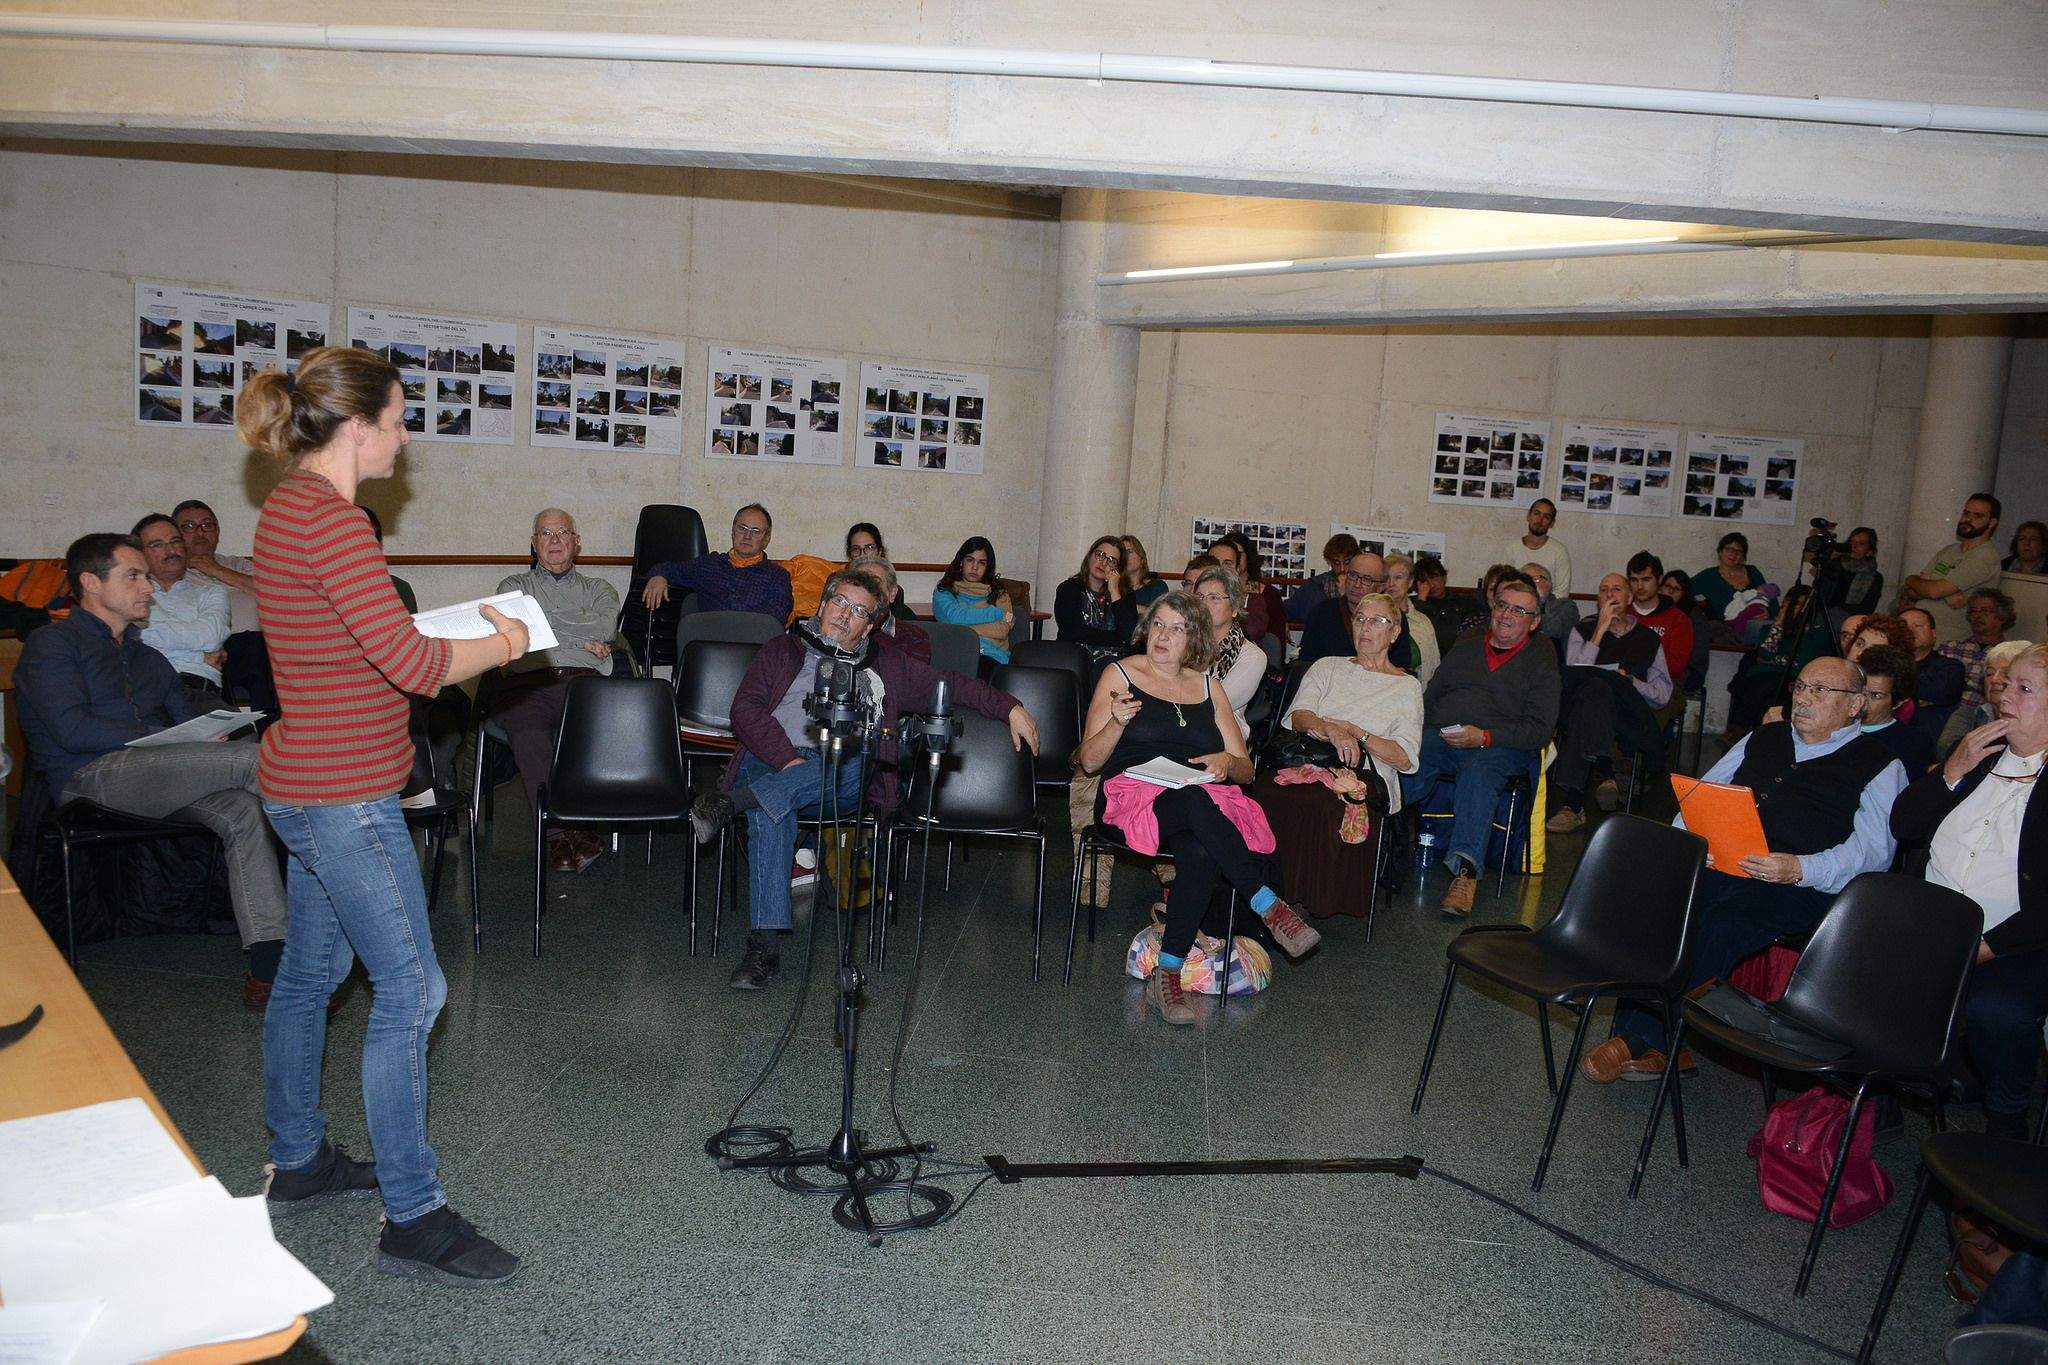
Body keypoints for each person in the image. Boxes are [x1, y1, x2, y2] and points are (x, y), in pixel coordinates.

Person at [241, 346, 529, 1284]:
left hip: (301, 781)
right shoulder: (332, 522)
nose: (407, 439)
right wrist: (506, 639)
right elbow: (413, 665)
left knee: (311, 973)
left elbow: (364, 644)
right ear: (356, 425)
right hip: (343, 796)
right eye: (400, 420)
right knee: (413, 990)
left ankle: (299, 1159)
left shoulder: (291, 507)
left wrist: (436, 638)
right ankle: (413, 1214)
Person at [694, 568, 1038, 990]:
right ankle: (763, 946)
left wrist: (1010, 707)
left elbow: (951, 684)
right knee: (773, 806)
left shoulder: (888, 665)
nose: (844, 615)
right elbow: (745, 710)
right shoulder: (782, 649)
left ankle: (732, 804)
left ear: (871, 625)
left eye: (858, 611)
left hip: (843, 771)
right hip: (771, 760)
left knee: (857, 756)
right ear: (821, 605)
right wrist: (787, 760)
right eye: (838, 602)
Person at [1582, 657, 1906, 1083]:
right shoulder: (1763, 737)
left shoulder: (1882, 764)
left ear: (1856, 705)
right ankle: (1657, 1044)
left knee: (1727, 920)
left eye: (1821, 691)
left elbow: (1873, 853)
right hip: (1729, 861)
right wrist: (1694, 845)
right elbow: (1700, 798)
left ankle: (1636, 1038)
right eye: (1801, 687)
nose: (1804, 698)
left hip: (1803, 886)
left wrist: (1799, 868)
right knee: (1664, 898)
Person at [14, 531, 288, 1008]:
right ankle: (342, 907)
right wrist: (150, 733)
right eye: (134, 576)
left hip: (159, 778)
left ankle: (269, 968)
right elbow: (71, 730)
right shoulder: (52, 645)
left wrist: (210, 733)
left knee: (244, 809)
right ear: (90, 583)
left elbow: (186, 722)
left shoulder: (150, 659)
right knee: (258, 760)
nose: (148, 587)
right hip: (90, 780)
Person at [1076, 591, 1319, 1025]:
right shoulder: (1119, 674)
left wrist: (1227, 762)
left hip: (1198, 802)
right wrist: (1117, 722)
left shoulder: (1210, 687)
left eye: (1177, 628)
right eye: (1157, 624)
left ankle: (1167, 975)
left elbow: (1245, 769)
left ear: (1194, 640)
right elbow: (1090, 761)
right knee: (1192, 799)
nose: (1163, 635)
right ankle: (1267, 902)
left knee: (1200, 849)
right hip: (1132, 797)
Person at [1891, 643, 2048, 1138]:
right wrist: (1954, 768)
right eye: (2005, 685)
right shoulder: (1979, 756)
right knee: (1866, 961)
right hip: (1932, 924)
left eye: (2025, 689)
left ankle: (2005, 1122)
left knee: (1997, 1011)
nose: (2005, 697)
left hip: (2014, 943)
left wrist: (1982, 947)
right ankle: (1880, 1094)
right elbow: (1905, 824)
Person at [1401, 574, 1561, 917]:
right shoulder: (1468, 644)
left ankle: (1466, 873)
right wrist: (1418, 732)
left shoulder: (1542, 660)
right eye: (1502, 605)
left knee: (1480, 768)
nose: (1506, 615)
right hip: (1448, 735)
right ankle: (1384, 836)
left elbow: (1539, 730)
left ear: (1533, 623)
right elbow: (1432, 695)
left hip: (1502, 745)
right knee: (1409, 752)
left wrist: (1485, 737)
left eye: (1519, 611)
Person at [488, 508, 621, 874]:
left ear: (577, 542)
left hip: (584, 682)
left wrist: (540, 626)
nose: (555, 541)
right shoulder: (511, 587)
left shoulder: (600, 589)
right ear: (534, 544)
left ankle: (572, 833)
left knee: (590, 733)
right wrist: (583, 634)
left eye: (563, 533)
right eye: (545, 534)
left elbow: (606, 626)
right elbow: (515, 627)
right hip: (530, 682)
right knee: (528, 731)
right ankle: (563, 834)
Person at [1545, 572, 1673, 833]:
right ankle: (1607, 774)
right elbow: (1572, 674)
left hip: (1627, 716)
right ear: (1597, 599)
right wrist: (1600, 629)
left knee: (1599, 689)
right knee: (1594, 690)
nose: (1610, 594)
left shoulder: (1648, 639)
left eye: (1616, 589)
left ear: (1629, 597)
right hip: (1582, 711)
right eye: (1603, 589)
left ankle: (1572, 806)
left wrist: (1630, 682)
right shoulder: (1582, 631)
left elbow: (1662, 696)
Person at [1281, 590, 1423, 810]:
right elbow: (1299, 716)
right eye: (1360, 619)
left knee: (1323, 803)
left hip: (1367, 775)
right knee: (1273, 792)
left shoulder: (1406, 686)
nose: (1365, 627)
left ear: (1394, 633)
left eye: (1377, 621)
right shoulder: (1327, 666)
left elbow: (1404, 759)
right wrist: (1330, 730)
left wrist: (1356, 733)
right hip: (1312, 761)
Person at [130, 512, 230, 710]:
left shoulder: (211, 592)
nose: (171, 550)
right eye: (157, 544)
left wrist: (141, 634)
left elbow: (211, 637)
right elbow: (122, 637)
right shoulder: (130, 593)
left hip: (198, 693)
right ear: (139, 555)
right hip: (143, 690)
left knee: (245, 737)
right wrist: (198, 657)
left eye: (175, 541)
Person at [639, 503, 793, 623]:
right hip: (709, 640)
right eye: (742, 528)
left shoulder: (777, 576)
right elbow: (669, 569)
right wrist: (659, 576)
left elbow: (776, 617)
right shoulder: (708, 565)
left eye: (756, 531)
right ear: (732, 531)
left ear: (766, 539)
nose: (747, 536)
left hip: (753, 644)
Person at [1724, 585, 1830, 738]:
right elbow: (1765, 654)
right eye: (1789, 603)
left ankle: (1741, 732)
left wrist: (1774, 660)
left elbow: (1800, 663)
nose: (1793, 608)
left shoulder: (1815, 633)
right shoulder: (1769, 629)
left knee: (1770, 687)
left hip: (1791, 681)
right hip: (1762, 678)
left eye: (1799, 605)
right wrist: (1778, 625)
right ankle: (1750, 736)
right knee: (1761, 686)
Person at [1898, 491, 2004, 641]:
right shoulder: (1949, 550)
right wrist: (1915, 582)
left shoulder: (1985, 556)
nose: (1968, 519)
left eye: (1977, 516)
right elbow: (1912, 592)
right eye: (1966, 513)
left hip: (1949, 641)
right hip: (1919, 635)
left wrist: (1917, 583)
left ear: (1992, 523)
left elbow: (1934, 591)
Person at [1301, 550, 1416, 671]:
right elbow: (1306, 663)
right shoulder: (1321, 613)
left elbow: (1401, 666)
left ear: (1381, 586)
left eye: (1366, 579)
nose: (1357, 584)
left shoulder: (1394, 618)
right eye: (1353, 575)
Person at [1190, 564, 1264, 735]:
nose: (1204, 604)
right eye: (1199, 597)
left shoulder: (1252, 657)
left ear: (1235, 608)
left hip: (1220, 736)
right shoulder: (1181, 642)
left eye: (1214, 598)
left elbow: (1216, 705)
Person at [1054, 535, 1137, 680]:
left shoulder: (1124, 595)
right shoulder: (1069, 588)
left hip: (1114, 663)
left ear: (1118, 569)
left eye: (1112, 560)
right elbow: (1073, 631)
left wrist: (1115, 592)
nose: (1104, 562)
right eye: (1100, 555)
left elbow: (1129, 634)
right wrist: (1118, 639)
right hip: (1075, 659)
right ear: (1089, 557)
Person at [1938, 639, 2036, 759]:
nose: (1994, 680)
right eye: (1989, 673)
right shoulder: (1968, 714)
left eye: (2005, 673)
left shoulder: (2035, 721)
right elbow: (1946, 751)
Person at [175, 498, 259, 631]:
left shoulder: (238, 564)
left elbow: (271, 594)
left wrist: (216, 570)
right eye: (189, 526)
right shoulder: (173, 573)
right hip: (211, 645)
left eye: (207, 525)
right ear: (175, 534)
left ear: (217, 531)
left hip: (260, 642)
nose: (200, 532)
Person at [931, 536, 1013, 667]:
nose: (975, 567)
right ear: (961, 562)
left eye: (981, 562)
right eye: (970, 560)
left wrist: (962, 629)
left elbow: (1003, 629)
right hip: (958, 655)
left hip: (994, 658)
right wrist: (996, 613)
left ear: (988, 567)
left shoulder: (999, 593)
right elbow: (954, 618)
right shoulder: (944, 590)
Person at [1623, 552, 1695, 697]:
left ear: (1659, 579)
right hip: (1624, 680)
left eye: (1646, 579)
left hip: (1665, 684)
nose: (1640, 586)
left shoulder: (1678, 620)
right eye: (1634, 580)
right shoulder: (1622, 614)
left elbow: (1675, 666)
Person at [1854, 645, 1933, 775]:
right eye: (1860, 691)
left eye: (1876, 696)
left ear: (1899, 701)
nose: (1862, 701)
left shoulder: (1913, 744)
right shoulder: (1832, 725)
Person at [1938, 587, 2018, 711]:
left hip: (1981, 719)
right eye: (1973, 611)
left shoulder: (2010, 656)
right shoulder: (1950, 649)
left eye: (1985, 611)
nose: (1977, 615)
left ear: (2002, 616)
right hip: (1941, 713)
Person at [1902, 606, 1968, 747]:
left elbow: (1940, 692)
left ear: (1933, 634)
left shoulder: (1951, 667)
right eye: (1902, 626)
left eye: (1918, 625)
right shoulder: (1884, 664)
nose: (1909, 630)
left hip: (1925, 743)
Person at [1208, 534, 1285, 651]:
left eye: (1227, 563)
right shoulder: (1199, 594)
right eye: (1215, 561)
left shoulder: (1258, 599)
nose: (1220, 567)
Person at [1689, 532, 1772, 640]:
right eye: (1729, 549)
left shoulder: (1753, 572)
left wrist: (1768, 613)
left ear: (1743, 556)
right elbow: (1683, 590)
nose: (1733, 554)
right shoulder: (1707, 577)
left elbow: (1770, 598)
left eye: (1739, 551)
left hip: (1753, 627)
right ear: (1720, 552)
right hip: (1724, 630)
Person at [1384, 552, 1441, 682]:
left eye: (1398, 577)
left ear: (1410, 582)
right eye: (1387, 578)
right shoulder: (1374, 618)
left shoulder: (1423, 621)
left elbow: (1434, 665)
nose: (1391, 583)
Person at [844, 523, 914, 621]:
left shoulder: (891, 589)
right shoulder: (838, 583)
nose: (862, 554)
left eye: (869, 547)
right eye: (856, 549)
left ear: (879, 551)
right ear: (850, 554)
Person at [1503, 498, 1571, 599]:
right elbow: (1504, 585)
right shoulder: (1512, 549)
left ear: (1552, 523)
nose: (1540, 520)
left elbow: (1562, 593)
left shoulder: (1559, 551)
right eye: (1536, 514)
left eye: (1546, 517)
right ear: (1528, 516)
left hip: (1547, 610)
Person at [1286, 533, 1359, 624]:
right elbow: (1285, 611)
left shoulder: (1362, 586)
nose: (1342, 569)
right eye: (1336, 563)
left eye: (1347, 562)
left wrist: (1346, 595)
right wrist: (1282, 622)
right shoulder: (1313, 586)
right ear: (1329, 561)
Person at [1659, 570, 1713, 690]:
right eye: (1667, 586)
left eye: (1677, 589)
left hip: (1689, 671)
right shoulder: (1655, 609)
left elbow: (1696, 656)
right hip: (1662, 668)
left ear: (1684, 594)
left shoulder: (1693, 615)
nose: (1670, 591)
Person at [1524, 560, 1579, 662]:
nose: (1529, 584)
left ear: (1549, 583)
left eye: (1535, 579)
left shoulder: (1565, 605)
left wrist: (1530, 606)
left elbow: (1555, 628)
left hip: (1553, 665)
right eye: (1525, 580)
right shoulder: (1514, 609)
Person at [1410, 555, 1462, 658]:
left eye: (1435, 578)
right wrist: (1421, 601)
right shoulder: (1413, 604)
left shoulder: (1461, 602)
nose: (1432, 585)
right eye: (1425, 581)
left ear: (1444, 578)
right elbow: (1416, 634)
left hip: (1454, 656)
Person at [1830, 526, 1886, 619]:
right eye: (1852, 542)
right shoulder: (1835, 565)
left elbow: (1867, 608)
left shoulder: (1876, 577)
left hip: (1851, 620)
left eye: (1861, 544)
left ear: (1870, 551)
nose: (1854, 546)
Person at [1119, 535, 1168, 609]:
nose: (1125, 556)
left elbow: (1159, 613)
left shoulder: (1157, 587)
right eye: (1122, 553)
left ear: (1142, 559)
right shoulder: (1114, 587)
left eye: (1129, 552)